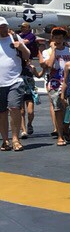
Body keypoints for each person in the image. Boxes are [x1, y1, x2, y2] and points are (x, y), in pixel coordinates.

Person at [0, 17, 30, 152]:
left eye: (4, 26)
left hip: (15, 80)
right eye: (0, 27)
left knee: (14, 108)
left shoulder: (15, 38)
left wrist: (22, 46)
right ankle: (5, 140)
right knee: (2, 112)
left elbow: (27, 55)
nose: (2, 29)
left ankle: (15, 139)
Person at [41, 26, 70, 143]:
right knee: (58, 109)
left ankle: (65, 127)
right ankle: (60, 135)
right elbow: (49, 65)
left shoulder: (69, 51)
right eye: (56, 37)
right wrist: (54, 51)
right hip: (55, 83)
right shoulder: (47, 52)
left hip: (69, 82)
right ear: (52, 38)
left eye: (60, 37)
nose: (58, 40)